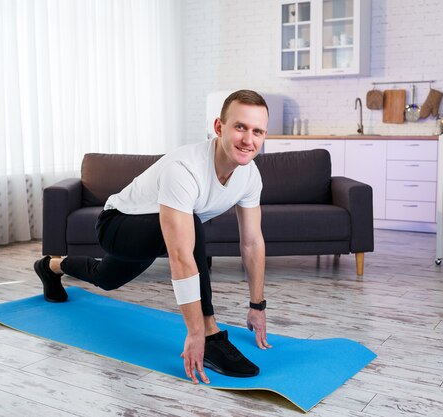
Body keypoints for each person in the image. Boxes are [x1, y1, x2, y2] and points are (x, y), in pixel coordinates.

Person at [34, 89, 272, 385]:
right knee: (193, 227)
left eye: (257, 131)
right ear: (219, 127)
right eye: (240, 127)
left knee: (106, 277)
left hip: (158, 230)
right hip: (117, 224)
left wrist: (257, 306)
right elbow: (182, 255)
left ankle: (51, 266)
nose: (248, 140)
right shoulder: (185, 168)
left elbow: (252, 242)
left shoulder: (250, 176)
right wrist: (196, 331)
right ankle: (212, 337)